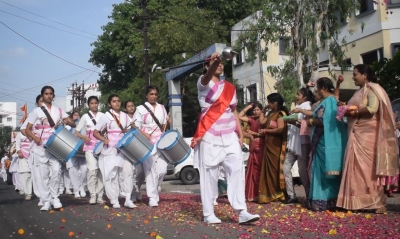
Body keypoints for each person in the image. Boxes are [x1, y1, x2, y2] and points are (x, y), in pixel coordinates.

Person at [191, 52, 260, 224]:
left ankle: (242, 211)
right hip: (210, 135)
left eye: (222, 64)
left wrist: (241, 133)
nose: (220, 66)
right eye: (216, 64)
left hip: (229, 135)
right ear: (207, 66)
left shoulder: (229, 87)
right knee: (210, 174)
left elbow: (234, 111)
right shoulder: (202, 83)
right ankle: (208, 214)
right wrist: (215, 61)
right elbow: (207, 77)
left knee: (237, 169)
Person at [337, 64, 399, 213]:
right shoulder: (358, 92)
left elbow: (372, 109)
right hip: (357, 134)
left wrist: (353, 112)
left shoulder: (373, 90)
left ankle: (377, 203)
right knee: (354, 167)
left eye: (355, 74)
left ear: (365, 75)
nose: (353, 77)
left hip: (368, 136)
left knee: (369, 171)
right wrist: (344, 108)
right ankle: (354, 202)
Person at [25, 86, 76, 210]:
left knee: (56, 171)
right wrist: (36, 138)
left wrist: (68, 121)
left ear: (54, 96)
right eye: (46, 94)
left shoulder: (59, 110)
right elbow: (27, 129)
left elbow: (73, 123)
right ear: (42, 96)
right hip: (41, 146)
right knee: (42, 175)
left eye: (51, 93)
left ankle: (55, 197)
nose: (48, 96)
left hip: (56, 144)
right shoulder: (37, 111)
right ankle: (46, 200)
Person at [307, 77, 347, 211]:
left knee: (322, 170)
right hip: (326, 140)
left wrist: (311, 122)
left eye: (317, 87)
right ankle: (330, 200)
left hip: (325, 141)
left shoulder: (328, 102)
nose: (316, 90)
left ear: (323, 88)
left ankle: (322, 200)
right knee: (325, 170)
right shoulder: (332, 100)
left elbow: (325, 121)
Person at [93, 94, 138, 209]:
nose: (117, 103)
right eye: (114, 101)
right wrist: (104, 139)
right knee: (112, 174)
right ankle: (114, 199)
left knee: (127, 172)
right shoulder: (105, 116)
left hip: (124, 148)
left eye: (118, 101)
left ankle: (128, 198)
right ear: (109, 104)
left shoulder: (125, 115)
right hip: (111, 149)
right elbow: (95, 132)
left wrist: (133, 127)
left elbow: (129, 130)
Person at [133, 86, 170, 206]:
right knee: (148, 170)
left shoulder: (162, 108)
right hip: (146, 142)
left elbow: (164, 125)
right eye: (151, 94)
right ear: (146, 95)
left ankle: (153, 189)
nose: (153, 96)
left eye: (155, 94)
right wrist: (145, 134)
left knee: (162, 170)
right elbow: (135, 126)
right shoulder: (139, 109)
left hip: (160, 141)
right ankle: (152, 197)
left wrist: (168, 123)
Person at [283, 88, 314, 204]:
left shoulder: (307, 107)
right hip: (293, 143)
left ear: (305, 97)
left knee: (302, 170)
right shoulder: (297, 107)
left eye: (298, 94)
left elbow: (307, 124)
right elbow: (298, 124)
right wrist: (292, 122)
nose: (296, 96)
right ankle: (291, 195)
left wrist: (295, 121)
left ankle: (309, 195)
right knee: (286, 167)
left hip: (303, 143)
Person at [257, 93, 289, 204]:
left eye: (270, 102)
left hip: (276, 145)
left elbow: (280, 129)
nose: (269, 104)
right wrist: (264, 109)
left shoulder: (280, 114)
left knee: (275, 169)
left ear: (275, 102)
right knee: (268, 169)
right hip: (269, 144)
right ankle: (270, 194)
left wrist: (266, 131)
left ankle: (279, 193)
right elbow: (261, 122)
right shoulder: (271, 113)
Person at [75, 96, 105, 205]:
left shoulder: (103, 115)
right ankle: (93, 195)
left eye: (96, 103)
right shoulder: (85, 116)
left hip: (101, 146)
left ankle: (100, 195)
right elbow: (77, 132)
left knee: (101, 171)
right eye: (92, 103)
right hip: (89, 147)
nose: (94, 105)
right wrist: (84, 137)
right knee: (93, 170)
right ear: (89, 105)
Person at [21, 95, 45, 205]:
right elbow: (23, 129)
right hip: (36, 148)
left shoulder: (53, 114)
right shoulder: (33, 114)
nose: (43, 103)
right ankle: (41, 196)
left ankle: (50, 195)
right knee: (38, 174)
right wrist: (33, 137)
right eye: (41, 101)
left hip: (49, 148)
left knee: (48, 173)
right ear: (37, 103)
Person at [238, 102, 265, 202]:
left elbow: (265, 134)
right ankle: (252, 194)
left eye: (258, 109)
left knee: (259, 170)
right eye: (254, 110)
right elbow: (239, 116)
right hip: (252, 146)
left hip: (261, 146)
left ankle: (260, 194)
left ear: (261, 110)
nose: (256, 111)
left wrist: (256, 134)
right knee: (251, 171)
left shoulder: (264, 120)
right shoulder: (251, 119)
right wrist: (248, 107)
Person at [66, 111, 88, 199]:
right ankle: (76, 190)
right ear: (72, 117)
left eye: (78, 115)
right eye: (75, 115)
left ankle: (82, 186)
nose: (77, 117)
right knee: (72, 170)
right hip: (72, 151)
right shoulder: (68, 127)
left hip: (82, 150)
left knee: (85, 169)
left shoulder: (84, 126)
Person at [15, 131, 33, 200]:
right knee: (25, 174)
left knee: (31, 175)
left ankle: (29, 193)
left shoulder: (33, 132)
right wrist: (19, 152)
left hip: (32, 155)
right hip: (23, 156)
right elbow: (17, 144)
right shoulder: (20, 134)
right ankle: (27, 193)